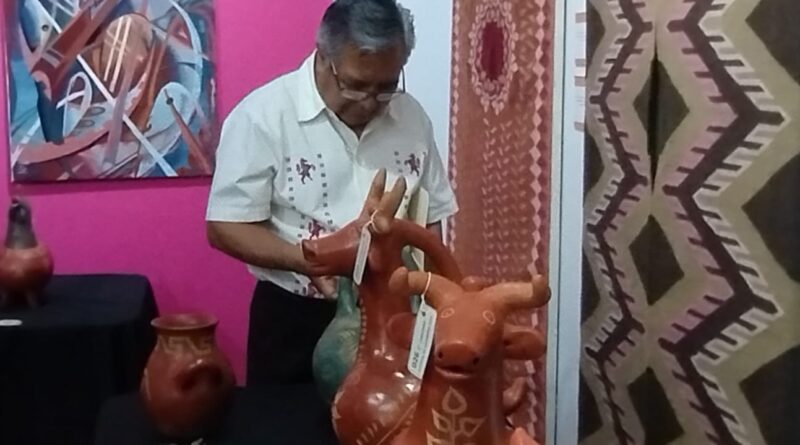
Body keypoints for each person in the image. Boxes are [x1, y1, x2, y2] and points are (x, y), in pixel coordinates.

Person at [205, 0, 458, 386]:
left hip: (395, 315)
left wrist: (435, 298)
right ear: (324, 57)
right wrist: (308, 260)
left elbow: (431, 218)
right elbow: (224, 227)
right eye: (356, 85)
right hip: (296, 319)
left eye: (386, 87)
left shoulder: (411, 118)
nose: (370, 102)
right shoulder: (263, 116)